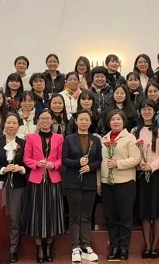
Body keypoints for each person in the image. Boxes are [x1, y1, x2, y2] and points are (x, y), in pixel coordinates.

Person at [23, 109, 65, 263]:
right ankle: (39, 249)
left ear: (52, 121)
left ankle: (49, 247)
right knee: (37, 215)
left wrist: (54, 165)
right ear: (38, 121)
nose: (45, 121)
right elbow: (26, 158)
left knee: (52, 214)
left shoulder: (59, 137)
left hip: (53, 180)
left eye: (48, 118)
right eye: (42, 118)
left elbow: (62, 159)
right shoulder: (31, 137)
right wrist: (36, 163)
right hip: (36, 180)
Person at [99, 109, 140, 261]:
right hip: (107, 182)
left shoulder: (130, 138)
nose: (115, 122)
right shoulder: (104, 139)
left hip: (125, 182)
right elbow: (101, 162)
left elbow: (136, 158)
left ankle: (124, 248)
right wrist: (99, 181)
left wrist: (118, 164)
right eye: (112, 119)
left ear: (123, 122)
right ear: (108, 122)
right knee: (111, 217)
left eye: (118, 119)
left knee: (125, 217)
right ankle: (114, 246)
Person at [0, 113, 27, 263]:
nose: (11, 125)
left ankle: (13, 250)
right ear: (4, 125)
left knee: (15, 218)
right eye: (8, 122)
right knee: (0, 217)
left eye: (14, 123)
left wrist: (20, 168)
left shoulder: (24, 143)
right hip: (0, 185)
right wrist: (4, 169)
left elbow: (27, 164)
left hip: (17, 185)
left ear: (18, 125)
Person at [62, 109, 102, 263]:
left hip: (90, 182)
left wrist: (90, 167)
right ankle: (75, 247)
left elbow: (99, 160)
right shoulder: (69, 139)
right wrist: (78, 163)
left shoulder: (95, 140)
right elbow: (64, 159)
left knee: (86, 215)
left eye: (87, 119)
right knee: (75, 216)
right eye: (81, 119)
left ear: (90, 122)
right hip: (73, 182)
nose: (84, 122)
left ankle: (86, 245)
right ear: (76, 121)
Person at [133, 99, 159, 259]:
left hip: (157, 174)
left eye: (150, 109)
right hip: (141, 174)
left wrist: (152, 166)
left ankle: (155, 246)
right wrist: (139, 163)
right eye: (144, 109)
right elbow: (132, 151)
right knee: (145, 211)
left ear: (155, 111)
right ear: (140, 111)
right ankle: (147, 246)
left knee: (156, 212)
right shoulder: (134, 130)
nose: (147, 111)